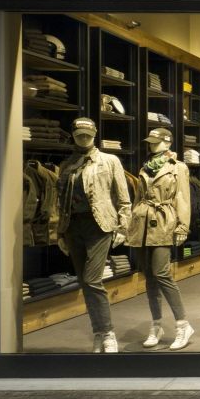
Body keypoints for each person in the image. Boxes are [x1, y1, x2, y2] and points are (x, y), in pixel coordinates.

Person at [56, 117, 131, 353]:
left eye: (87, 134)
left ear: (95, 134)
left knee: (91, 280)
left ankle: (108, 333)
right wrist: (60, 232)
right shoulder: (67, 165)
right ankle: (98, 332)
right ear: (73, 135)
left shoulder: (109, 161)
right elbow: (61, 202)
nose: (83, 138)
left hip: (99, 226)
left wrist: (123, 226)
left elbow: (123, 198)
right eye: (79, 134)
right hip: (73, 227)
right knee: (84, 283)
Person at [128, 128, 195, 351]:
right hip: (142, 222)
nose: (151, 145)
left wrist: (183, 226)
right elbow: (138, 198)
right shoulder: (145, 167)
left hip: (164, 220)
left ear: (167, 142)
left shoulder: (178, 167)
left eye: (156, 142)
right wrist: (131, 222)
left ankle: (183, 324)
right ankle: (156, 324)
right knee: (149, 276)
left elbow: (183, 197)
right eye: (150, 142)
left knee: (162, 273)